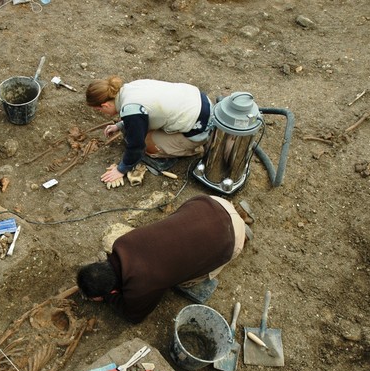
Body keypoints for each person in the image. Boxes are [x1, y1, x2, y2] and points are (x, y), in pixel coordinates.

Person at [76, 195, 250, 323]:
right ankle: (238, 216)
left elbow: (133, 315)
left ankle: (243, 234)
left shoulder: (139, 286)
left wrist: (108, 298)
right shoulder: (121, 244)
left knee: (185, 282)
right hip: (210, 203)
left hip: (230, 239)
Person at [85, 76, 212, 188]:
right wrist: (121, 125)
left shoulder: (131, 110)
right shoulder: (130, 88)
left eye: (99, 110)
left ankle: (192, 148)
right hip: (200, 102)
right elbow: (148, 111)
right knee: (139, 131)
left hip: (200, 128)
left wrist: (122, 169)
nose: (101, 113)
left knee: (148, 144)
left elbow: (136, 146)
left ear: (105, 105)